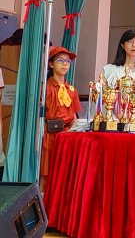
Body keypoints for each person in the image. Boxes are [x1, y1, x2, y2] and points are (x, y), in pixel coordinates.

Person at [41, 46, 82, 192]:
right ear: (51, 64)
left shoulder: (72, 90)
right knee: (45, 173)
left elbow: (74, 117)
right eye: (60, 60)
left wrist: (75, 134)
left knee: (65, 173)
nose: (65, 64)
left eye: (68, 61)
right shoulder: (45, 88)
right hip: (48, 135)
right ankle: (43, 202)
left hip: (66, 135)